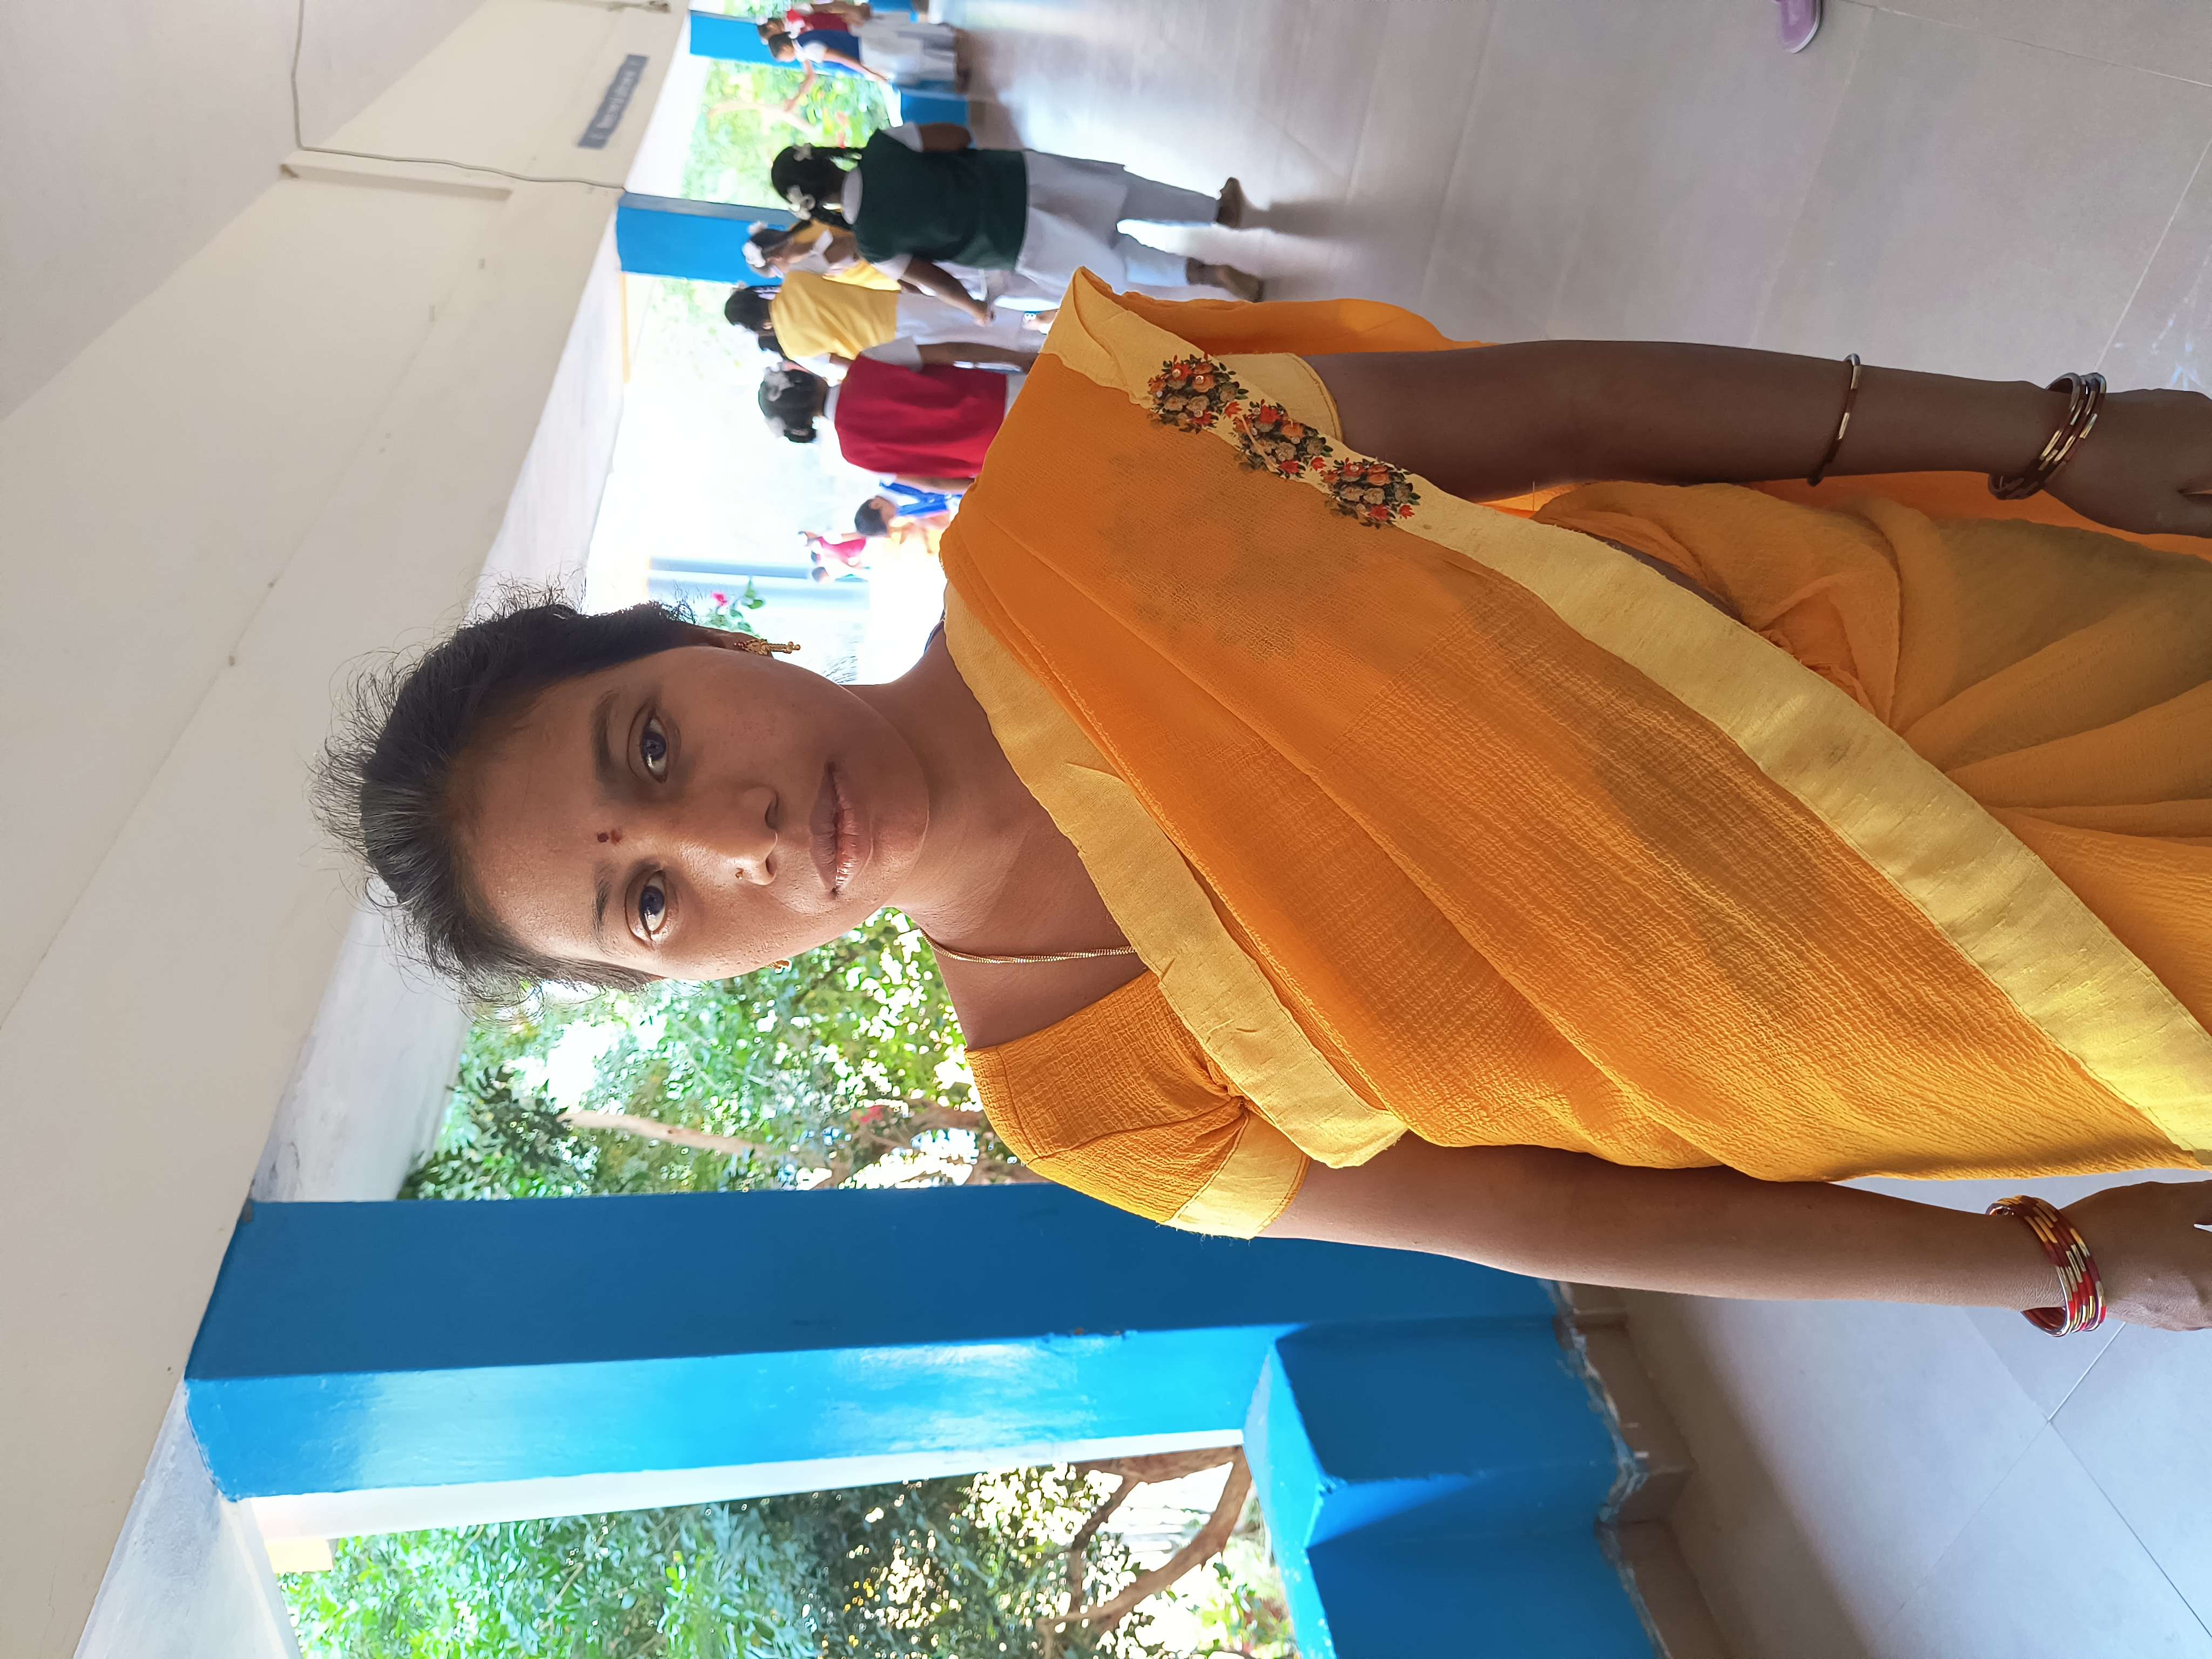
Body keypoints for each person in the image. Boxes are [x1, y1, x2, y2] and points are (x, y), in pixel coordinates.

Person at [320, 279, 2212, 1334]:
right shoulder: (1092, 1106)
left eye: (648, 750)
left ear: (703, 640)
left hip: (1967, 668)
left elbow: (1562, 409)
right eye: (648, 903)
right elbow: (1547, 1212)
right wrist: (2041, 1259)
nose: (726, 839)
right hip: (1992, 1026)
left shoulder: (1087, 473)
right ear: (684, 979)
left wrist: (2046, 434)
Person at [771, 126, 1264, 304]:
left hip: (1011, 242)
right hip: (1022, 180)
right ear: (821, 158)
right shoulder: (883, 147)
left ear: (813, 207)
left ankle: (1210, 274)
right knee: (1127, 195)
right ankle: (1217, 211)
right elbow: (958, 137)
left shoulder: (874, 245)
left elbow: (940, 282)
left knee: (1116, 255)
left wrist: (972, 308)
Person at [757, 343, 1028, 487]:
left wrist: (984, 488)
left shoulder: (856, 455)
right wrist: (1019, 358)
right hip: (1013, 397)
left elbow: (931, 482)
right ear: (803, 379)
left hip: (1004, 461)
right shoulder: (869, 362)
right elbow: (954, 352)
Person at [723, 270, 1031, 373]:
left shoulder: (794, 348)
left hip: (889, 348)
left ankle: (1035, 351)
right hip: (894, 307)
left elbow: (845, 365)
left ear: (760, 327)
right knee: (970, 314)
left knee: (966, 352)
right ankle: (1035, 317)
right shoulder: (796, 281)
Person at [759, 16, 961, 92]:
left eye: (783, 59)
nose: (787, 61)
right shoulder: (805, 37)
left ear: (784, 48)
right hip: (864, 42)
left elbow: (841, 58)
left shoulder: (808, 50)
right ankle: (952, 59)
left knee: (911, 62)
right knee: (910, 51)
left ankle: (955, 67)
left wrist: (870, 73)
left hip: (867, 56)